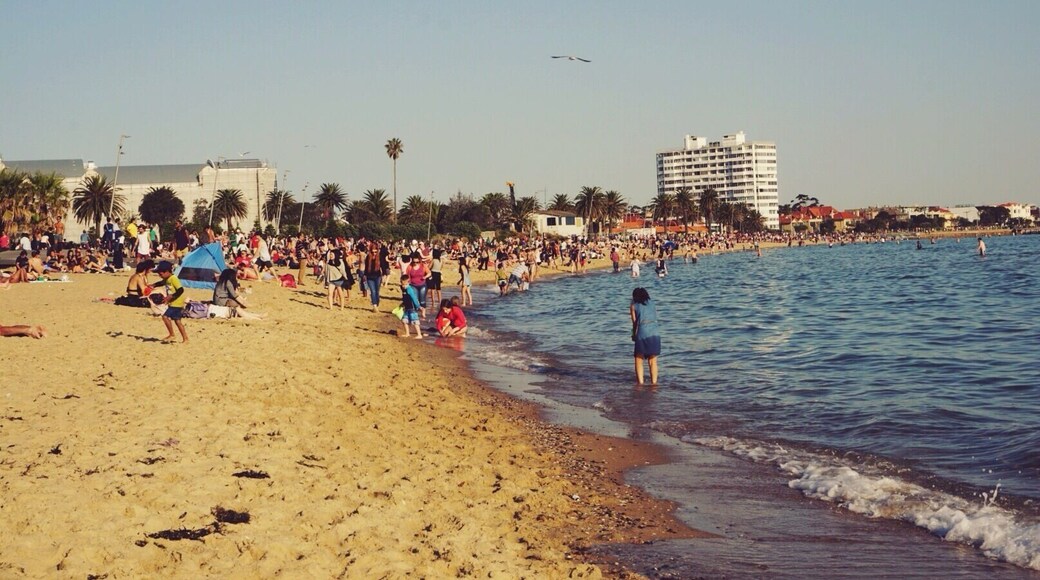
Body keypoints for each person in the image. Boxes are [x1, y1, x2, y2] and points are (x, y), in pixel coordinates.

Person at [151, 261, 189, 343]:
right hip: (174, 303)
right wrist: (153, 285)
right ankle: (185, 339)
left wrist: (171, 296)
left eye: (161, 274)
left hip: (176, 303)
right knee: (177, 321)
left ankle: (172, 334)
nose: (160, 276)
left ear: (167, 271)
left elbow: (181, 290)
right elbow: (161, 283)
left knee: (165, 317)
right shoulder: (167, 279)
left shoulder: (173, 278)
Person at [630, 287, 661, 386]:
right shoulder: (652, 303)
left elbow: (635, 323)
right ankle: (654, 384)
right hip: (655, 332)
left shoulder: (634, 305)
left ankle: (640, 384)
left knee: (638, 359)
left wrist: (633, 335)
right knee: (653, 361)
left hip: (642, 331)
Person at [404, 252, 431, 319]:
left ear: (419, 260)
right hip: (413, 285)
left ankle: (423, 313)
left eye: (417, 262)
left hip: (422, 285)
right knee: (415, 299)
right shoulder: (410, 267)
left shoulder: (423, 266)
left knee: (422, 300)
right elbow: (407, 276)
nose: (416, 263)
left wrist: (425, 277)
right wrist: (406, 284)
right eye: (414, 262)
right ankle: (415, 313)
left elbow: (429, 273)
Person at [399, 274, 423, 339]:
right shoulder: (403, 289)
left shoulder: (409, 289)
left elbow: (414, 298)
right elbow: (405, 298)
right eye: (402, 284)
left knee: (415, 320)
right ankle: (407, 333)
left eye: (405, 284)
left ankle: (419, 334)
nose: (403, 286)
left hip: (412, 308)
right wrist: (403, 304)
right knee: (404, 320)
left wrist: (418, 306)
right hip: (406, 307)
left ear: (408, 282)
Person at [363, 246, 383, 311]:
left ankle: (377, 303)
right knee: (372, 291)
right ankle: (374, 305)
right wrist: (364, 275)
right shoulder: (368, 257)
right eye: (372, 252)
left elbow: (383, 265)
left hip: (378, 276)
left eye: (375, 252)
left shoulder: (379, 257)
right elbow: (366, 267)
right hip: (369, 277)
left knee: (377, 291)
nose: (374, 253)